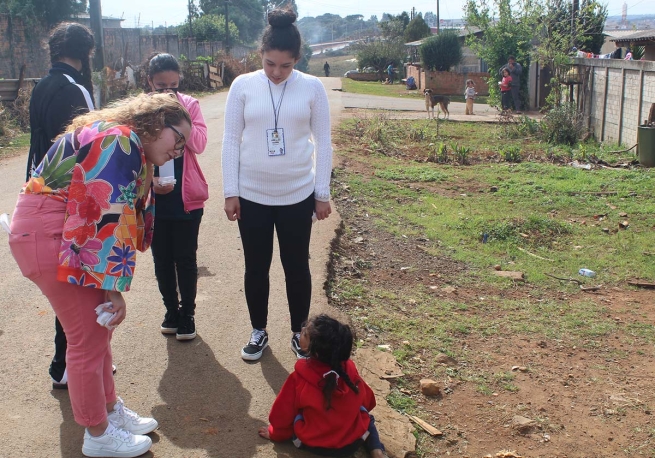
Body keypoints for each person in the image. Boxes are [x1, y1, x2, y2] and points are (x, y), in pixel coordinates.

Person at [8, 93, 192, 457]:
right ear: (156, 122)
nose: (179, 152)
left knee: (97, 331)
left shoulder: (118, 135)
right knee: (87, 338)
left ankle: (109, 411)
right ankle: (98, 433)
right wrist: (112, 288)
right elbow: (103, 215)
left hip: (47, 231)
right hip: (51, 234)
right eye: (178, 141)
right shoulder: (121, 140)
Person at [221, 7, 333, 361]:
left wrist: (322, 193)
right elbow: (229, 140)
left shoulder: (312, 88)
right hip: (252, 195)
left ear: (297, 59)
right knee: (256, 266)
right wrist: (230, 191)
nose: (276, 72)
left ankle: (300, 333)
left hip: (297, 195)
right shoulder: (243, 86)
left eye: (285, 66)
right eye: (270, 64)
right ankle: (258, 330)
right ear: (261, 55)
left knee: (296, 265)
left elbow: (323, 142)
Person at [26, 22, 97, 390]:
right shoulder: (75, 88)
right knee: (74, 281)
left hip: (41, 189)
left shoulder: (40, 86)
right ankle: (66, 362)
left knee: (62, 283)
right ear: (85, 52)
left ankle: (65, 362)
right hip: (69, 196)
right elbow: (88, 148)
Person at [258, 314, 387, 458]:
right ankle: (376, 451)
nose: (302, 329)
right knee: (366, 417)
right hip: (352, 443)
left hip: (314, 444)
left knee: (296, 416)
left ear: (314, 351)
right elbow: (367, 400)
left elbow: (282, 415)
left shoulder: (299, 377)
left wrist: (276, 433)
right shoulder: (349, 369)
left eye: (305, 333)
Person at [144, 53, 208, 341]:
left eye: (173, 86)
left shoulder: (190, 105)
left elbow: (201, 143)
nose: (168, 92)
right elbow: (133, 153)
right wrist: (151, 181)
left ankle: (188, 314)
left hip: (186, 199)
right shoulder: (141, 111)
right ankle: (171, 310)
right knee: (161, 259)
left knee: (185, 258)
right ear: (149, 83)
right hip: (155, 200)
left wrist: (180, 115)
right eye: (160, 87)